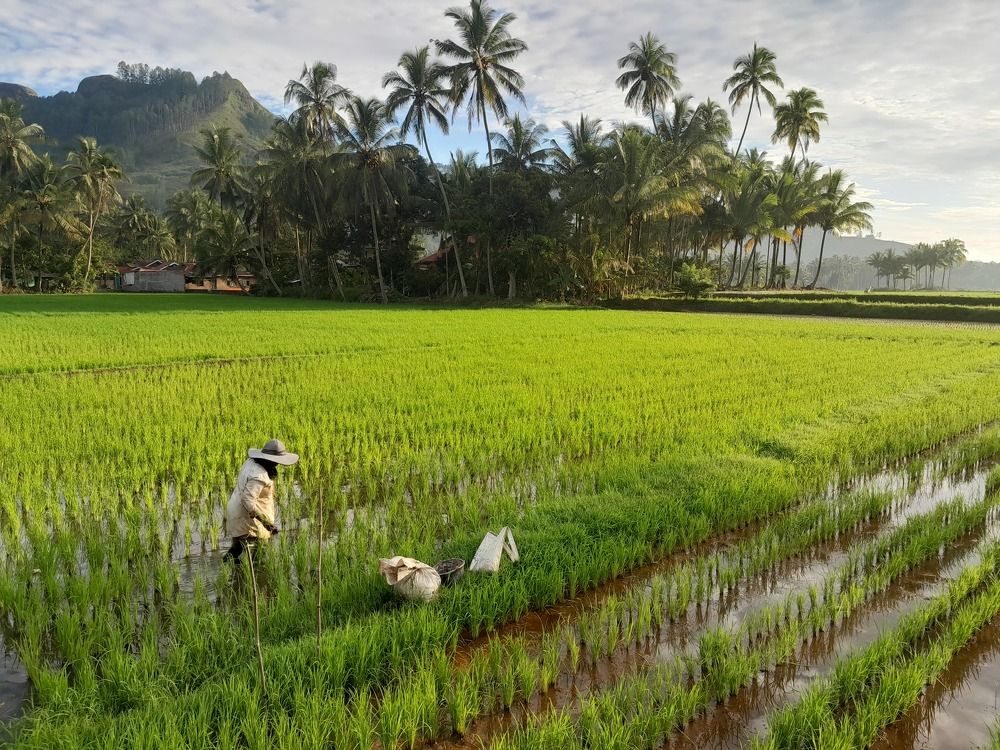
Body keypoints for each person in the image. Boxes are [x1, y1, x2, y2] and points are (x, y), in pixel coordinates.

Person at [223, 439, 299, 563]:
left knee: (237, 549)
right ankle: (252, 578)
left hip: (236, 510)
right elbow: (247, 500)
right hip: (248, 518)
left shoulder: (251, 462)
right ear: (269, 460)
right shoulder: (259, 476)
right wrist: (265, 523)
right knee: (259, 555)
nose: (277, 465)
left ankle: (230, 574)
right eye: (276, 462)